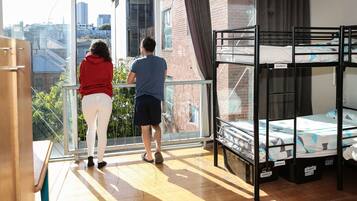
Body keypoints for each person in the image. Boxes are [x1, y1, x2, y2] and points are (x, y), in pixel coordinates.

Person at [127, 37, 167, 164]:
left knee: (145, 128)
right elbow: (163, 77)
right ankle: (158, 150)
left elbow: (129, 81)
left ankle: (149, 156)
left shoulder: (137, 63)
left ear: (142, 48)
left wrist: (141, 79)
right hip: (155, 98)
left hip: (141, 99)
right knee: (156, 126)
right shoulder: (162, 62)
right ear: (154, 48)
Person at [79, 40, 113, 169]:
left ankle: (89, 157)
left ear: (91, 50)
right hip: (104, 97)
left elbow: (81, 79)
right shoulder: (108, 63)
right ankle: (100, 160)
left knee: (90, 128)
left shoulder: (84, 63)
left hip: (88, 98)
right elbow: (110, 79)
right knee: (102, 130)